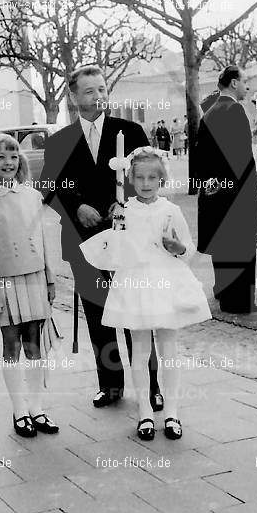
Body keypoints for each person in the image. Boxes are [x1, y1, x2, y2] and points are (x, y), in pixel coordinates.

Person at [39, 65, 163, 410]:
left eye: (103, 89)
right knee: (99, 314)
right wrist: (76, 206)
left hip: (128, 240)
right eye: (90, 91)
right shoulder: (60, 141)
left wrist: (127, 202)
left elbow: (151, 176)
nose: (99, 96)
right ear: (74, 97)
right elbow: (50, 188)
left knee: (136, 315)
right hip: (83, 242)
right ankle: (110, 384)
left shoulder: (131, 131)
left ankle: (152, 385)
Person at [83, 147, 210, 440]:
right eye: (139, 177)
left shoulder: (171, 210)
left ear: (162, 179)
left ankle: (173, 414)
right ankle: (144, 413)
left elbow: (188, 249)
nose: (146, 182)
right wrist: (116, 225)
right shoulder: (124, 210)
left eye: (153, 177)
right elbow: (115, 251)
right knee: (140, 351)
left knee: (169, 349)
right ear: (130, 179)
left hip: (166, 282)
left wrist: (175, 247)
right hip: (136, 283)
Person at [0, 133, 59, 438]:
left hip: (34, 279)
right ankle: (19, 410)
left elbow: (42, 241)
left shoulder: (31, 195)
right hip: (4, 284)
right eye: (0, 157)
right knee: (12, 344)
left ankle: (37, 408)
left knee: (35, 344)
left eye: (13, 156)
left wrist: (49, 277)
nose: (8, 163)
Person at [196, 65, 257, 314]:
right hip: (238, 192)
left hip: (216, 192)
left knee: (223, 245)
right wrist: (254, 192)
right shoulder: (235, 109)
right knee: (242, 246)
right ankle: (241, 302)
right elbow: (240, 157)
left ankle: (224, 293)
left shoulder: (209, 112)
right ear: (234, 83)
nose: (247, 86)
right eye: (245, 81)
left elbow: (204, 156)